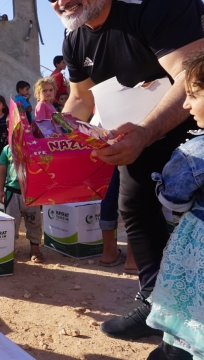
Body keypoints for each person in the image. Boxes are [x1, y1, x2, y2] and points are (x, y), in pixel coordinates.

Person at [51, 0, 204, 341]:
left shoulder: (154, 7)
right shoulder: (74, 37)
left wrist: (148, 130)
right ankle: (156, 306)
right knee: (134, 208)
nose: (61, 1)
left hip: (193, 128)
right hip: (136, 136)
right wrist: (50, 132)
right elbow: (80, 98)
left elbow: (191, 72)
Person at [146, 49, 204, 360]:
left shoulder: (195, 152)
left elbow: (174, 197)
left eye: (193, 95)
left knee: (189, 308)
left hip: (199, 248)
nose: (185, 104)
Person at [0, 144, 44, 263]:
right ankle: (9, 250)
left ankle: (35, 249)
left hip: (32, 193)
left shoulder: (35, 146)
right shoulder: (7, 149)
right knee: (11, 223)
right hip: (12, 192)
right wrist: (0, 190)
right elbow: (2, 170)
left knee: (34, 221)